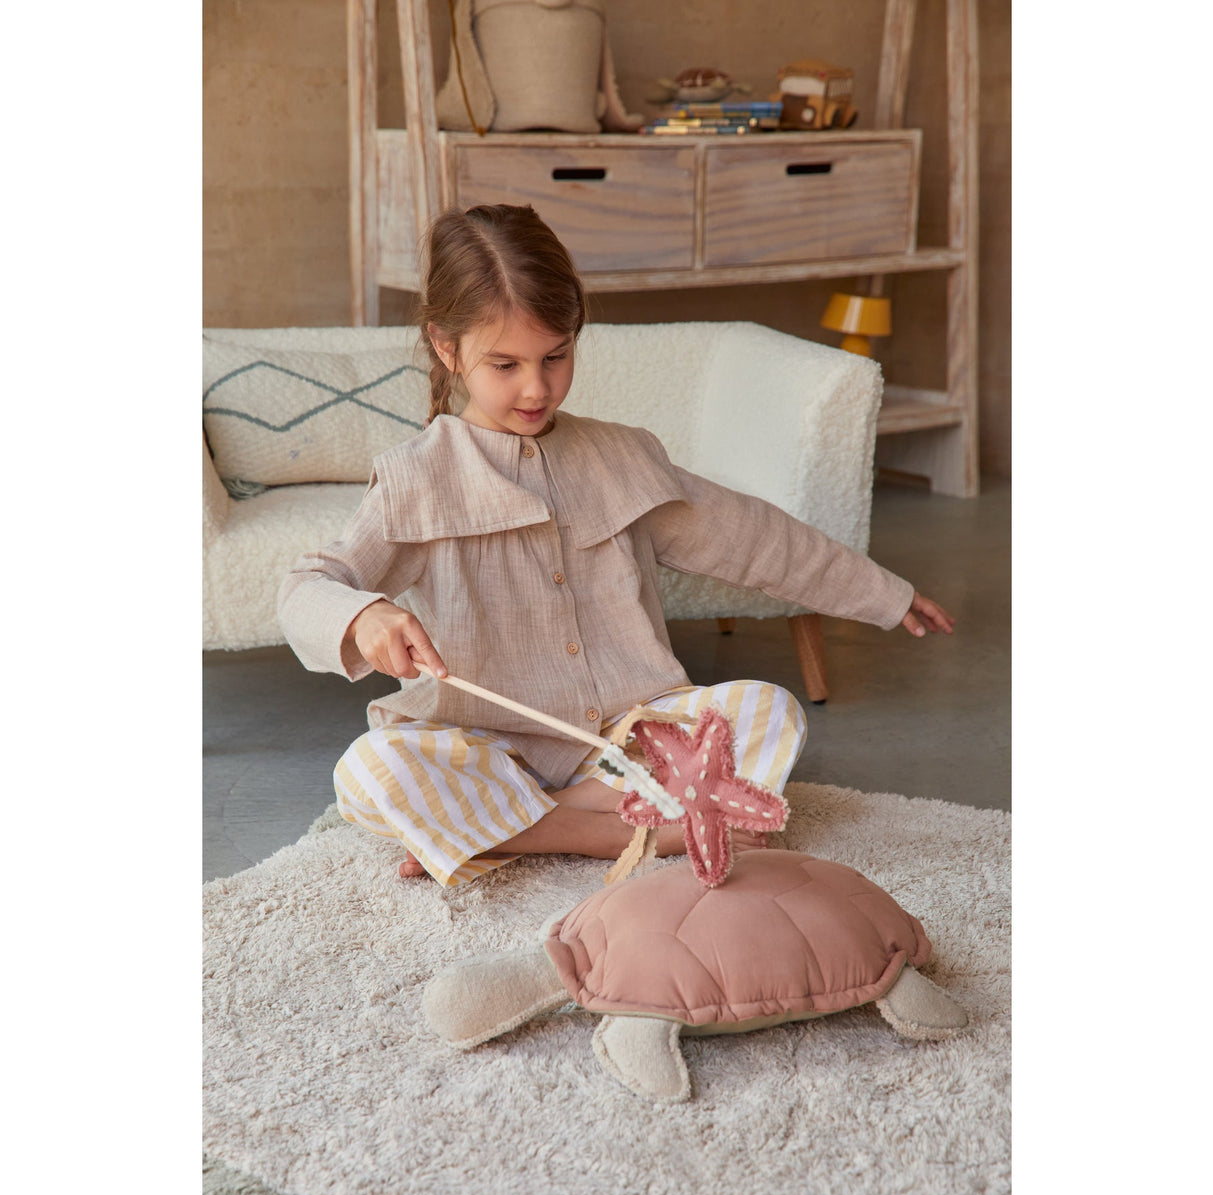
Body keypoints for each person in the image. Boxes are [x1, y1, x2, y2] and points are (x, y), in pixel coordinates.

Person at [278, 203, 954, 887]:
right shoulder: (414, 480)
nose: (537, 387)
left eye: (556, 356)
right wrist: (364, 617)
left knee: (769, 713)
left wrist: (884, 594)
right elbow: (307, 587)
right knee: (369, 772)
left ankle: (506, 828)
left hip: (621, 745)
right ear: (446, 348)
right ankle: (607, 832)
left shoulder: (622, 458)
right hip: (478, 746)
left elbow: (752, 538)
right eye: (505, 364)